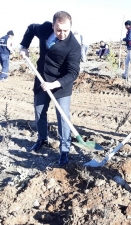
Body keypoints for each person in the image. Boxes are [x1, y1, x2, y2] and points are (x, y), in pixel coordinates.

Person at [19, 11, 81, 167]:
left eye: (66, 30)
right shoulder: (45, 29)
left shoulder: (73, 46)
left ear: (70, 27)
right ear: (53, 26)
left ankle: (64, 150)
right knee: (39, 111)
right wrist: (24, 46)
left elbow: (73, 73)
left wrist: (54, 84)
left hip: (60, 85)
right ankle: (42, 139)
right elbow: (31, 28)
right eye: (58, 30)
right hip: (41, 79)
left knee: (63, 117)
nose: (62, 34)